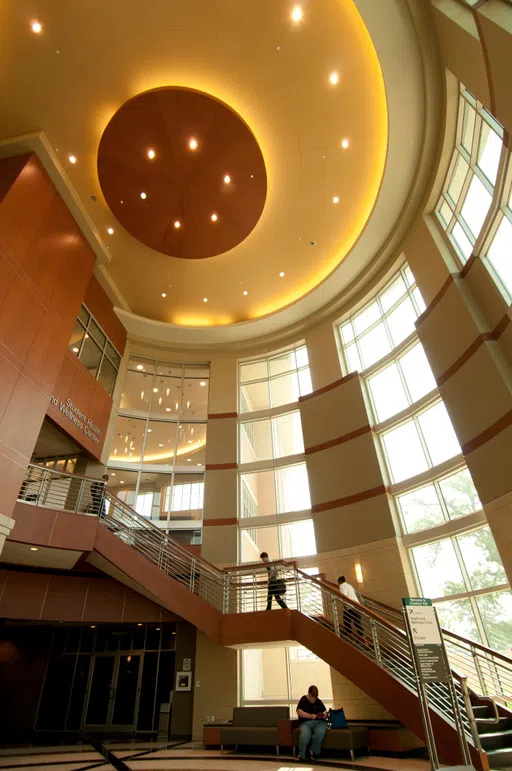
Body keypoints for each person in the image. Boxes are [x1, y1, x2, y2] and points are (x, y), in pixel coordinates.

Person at [296, 684, 327, 762]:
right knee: (305, 734)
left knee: (320, 732)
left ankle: (313, 751)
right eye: (312, 698)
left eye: (315, 698)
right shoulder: (303, 699)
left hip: (319, 722)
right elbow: (299, 712)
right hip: (306, 722)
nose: (313, 700)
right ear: (309, 694)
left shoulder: (318, 701)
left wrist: (324, 715)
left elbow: (324, 711)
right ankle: (302, 754)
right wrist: (310, 716)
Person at [338, 575, 364, 642]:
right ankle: (364, 641)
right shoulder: (349, 585)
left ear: (339, 582)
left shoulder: (341, 585)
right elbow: (357, 594)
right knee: (357, 623)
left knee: (346, 622)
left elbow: (344, 596)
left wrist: (345, 606)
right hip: (357, 606)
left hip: (350, 607)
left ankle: (352, 638)